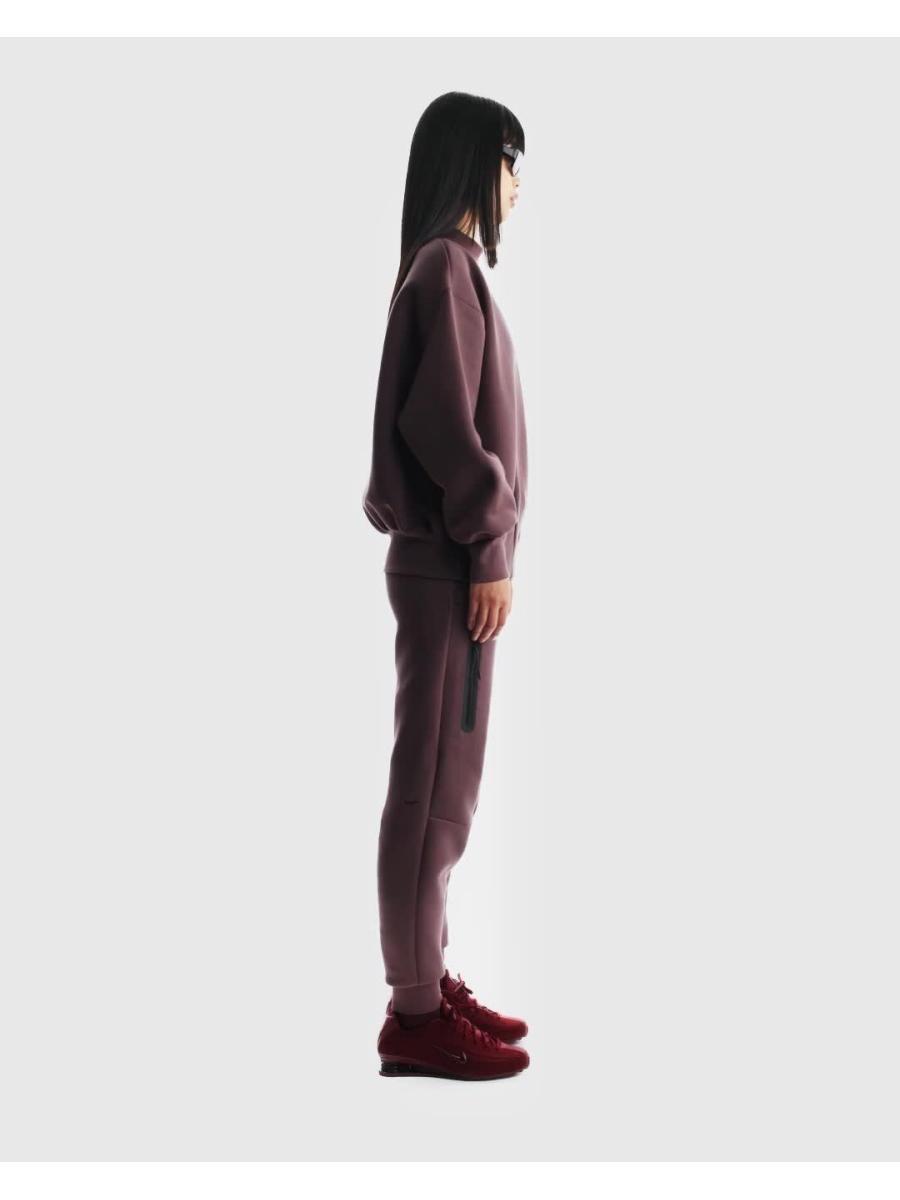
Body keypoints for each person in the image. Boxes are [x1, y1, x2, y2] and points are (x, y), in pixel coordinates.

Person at [362, 91, 530, 1082]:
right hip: (449, 567)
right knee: (431, 796)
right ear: (475, 160)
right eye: (511, 161)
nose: (518, 186)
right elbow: (441, 427)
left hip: (446, 566)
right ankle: (415, 1014)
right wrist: (490, 546)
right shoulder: (444, 269)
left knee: (442, 792)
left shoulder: (446, 268)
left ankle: (425, 980)